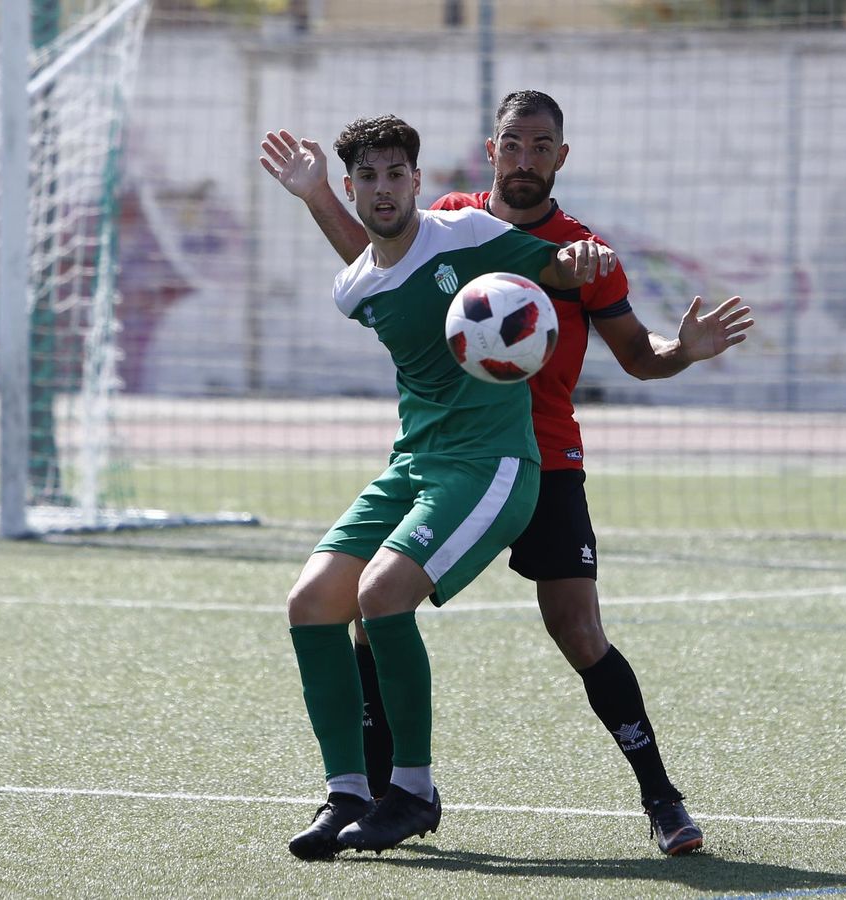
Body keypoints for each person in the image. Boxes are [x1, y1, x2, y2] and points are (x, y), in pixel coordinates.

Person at [260, 90, 752, 856]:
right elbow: (380, 266)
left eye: (540, 146)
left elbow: (634, 354)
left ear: (561, 156)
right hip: (436, 457)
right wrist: (319, 192)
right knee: (353, 610)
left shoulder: (575, 247)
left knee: (576, 630)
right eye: (512, 145)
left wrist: (684, 349)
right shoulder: (450, 219)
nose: (525, 159)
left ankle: (660, 796)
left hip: (537, 457)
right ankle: (364, 793)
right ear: (491, 152)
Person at [272, 114, 619, 860]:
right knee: (310, 604)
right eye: (368, 178)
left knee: (381, 597)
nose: (384, 189)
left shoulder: (464, 234)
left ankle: (414, 789)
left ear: (417, 181)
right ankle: (348, 793)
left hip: (493, 462)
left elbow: (552, 266)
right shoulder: (353, 289)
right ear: (353, 187)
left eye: (396, 174)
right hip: (415, 463)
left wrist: (577, 261)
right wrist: (312, 197)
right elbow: (380, 266)